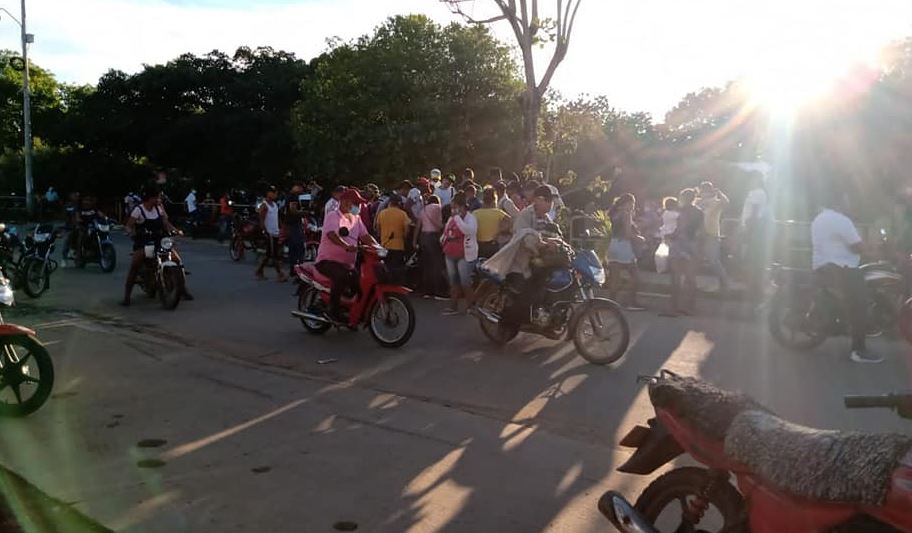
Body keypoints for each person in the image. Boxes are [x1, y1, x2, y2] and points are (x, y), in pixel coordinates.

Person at [812, 191, 880, 363]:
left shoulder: (819, 218)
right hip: (841, 269)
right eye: (847, 200)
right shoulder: (841, 220)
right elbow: (857, 246)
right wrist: (874, 251)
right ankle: (858, 351)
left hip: (824, 267)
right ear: (839, 202)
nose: (849, 204)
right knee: (861, 306)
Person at [315, 188, 379, 322]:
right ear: (344, 202)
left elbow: (365, 236)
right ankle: (333, 311)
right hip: (327, 261)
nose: (358, 206)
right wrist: (345, 246)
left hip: (347, 264)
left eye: (359, 204)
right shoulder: (333, 216)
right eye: (355, 203)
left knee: (359, 282)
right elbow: (331, 234)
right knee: (341, 276)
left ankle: (351, 311)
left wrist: (378, 247)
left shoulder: (356, 218)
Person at [122, 187, 191, 306]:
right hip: (144, 242)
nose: (159, 199)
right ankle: (127, 296)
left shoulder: (159, 209)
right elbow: (128, 226)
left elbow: (166, 223)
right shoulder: (138, 210)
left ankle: (182, 290)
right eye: (157, 197)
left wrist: (176, 230)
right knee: (135, 264)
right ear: (150, 198)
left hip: (160, 240)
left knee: (177, 261)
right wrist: (131, 233)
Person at [666, 189, 703, 316]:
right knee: (690, 278)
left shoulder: (680, 211)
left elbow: (680, 228)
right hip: (692, 244)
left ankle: (674, 307)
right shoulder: (699, 212)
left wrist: (669, 236)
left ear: (683, 198)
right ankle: (690, 307)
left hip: (679, 243)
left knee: (676, 277)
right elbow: (701, 231)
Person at [441, 193, 478, 315]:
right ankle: (453, 306)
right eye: (452, 208)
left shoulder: (470, 218)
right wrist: (443, 239)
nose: (453, 210)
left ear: (462, 207)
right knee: (453, 281)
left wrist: (457, 219)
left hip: (465, 255)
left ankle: (471, 306)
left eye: (455, 207)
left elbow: (469, 231)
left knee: (465, 282)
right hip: (450, 253)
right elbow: (446, 231)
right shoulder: (451, 218)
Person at [607, 194, 646, 311]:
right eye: (632, 203)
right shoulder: (626, 214)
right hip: (623, 246)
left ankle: (611, 303)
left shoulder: (614, 213)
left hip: (613, 244)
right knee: (635, 276)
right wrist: (640, 238)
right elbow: (627, 234)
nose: (633, 206)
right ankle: (630, 301)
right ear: (628, 203)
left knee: (615, 278)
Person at [696, 181, 730, 292]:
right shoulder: (698, 202)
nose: (704, 192)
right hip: (698, 234)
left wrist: (719, 193)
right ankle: (693, 283)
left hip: (712, 233)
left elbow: (726, 202)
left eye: (707, 190)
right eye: (703, 190)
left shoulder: (715, 202)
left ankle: (724, 283)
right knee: (695, 259)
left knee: (713, 260)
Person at [740, 172, 769, 302]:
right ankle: (755, 291)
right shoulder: (759, 192)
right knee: (754, 261)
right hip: (754, 229)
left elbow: (754, 211)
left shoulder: (757, 193)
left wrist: (748, 231)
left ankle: (753, 291)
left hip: (752, 229)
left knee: (751, 260)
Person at [413, 195, 447, 299]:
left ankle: (426, 290)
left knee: (426, 264)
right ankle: (437, 290)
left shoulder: (423, 210)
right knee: (436, 264)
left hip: (423, 237)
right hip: (434, 237)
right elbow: (440, 224)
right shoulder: (438, 207)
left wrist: (414, 241)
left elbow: (418, 226)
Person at [255, 186, 288, 282]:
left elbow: (276, 218)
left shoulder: (275, 205)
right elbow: (261, 220)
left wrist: (281, 227)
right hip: (269, 233)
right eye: (273, 193)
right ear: (268, 193)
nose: (275, 195)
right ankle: (280, 274)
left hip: (275, 232)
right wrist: (265, 231)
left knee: (270, 254)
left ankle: (259, 271)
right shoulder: (264, 205)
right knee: (273, 254)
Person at [376, 194, 411, 283]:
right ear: (399, 203)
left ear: (390, 202)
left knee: (385, 269)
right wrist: (404, 238)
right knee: (396, 270)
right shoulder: (403, 214)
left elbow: (377, 229)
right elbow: (407, 229)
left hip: (384, 246)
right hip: (398, 246)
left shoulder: (382, 213)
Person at [474, 188, 511, 259]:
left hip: (479, 245)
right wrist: (500, 231)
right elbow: (510, 221)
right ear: (494, 199)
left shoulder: (475, 213)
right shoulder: (498, 213)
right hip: (493, 245)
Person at [283, 183, 306, 276]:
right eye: (300, 188)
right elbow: (293, 210)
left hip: (290, 225)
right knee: (299, 248)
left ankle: (293, 269)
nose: (301, 190)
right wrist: (303, 212)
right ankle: (298, 269)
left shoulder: (289, 196)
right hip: (294, 225)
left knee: (293, 248)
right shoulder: (293, 197)